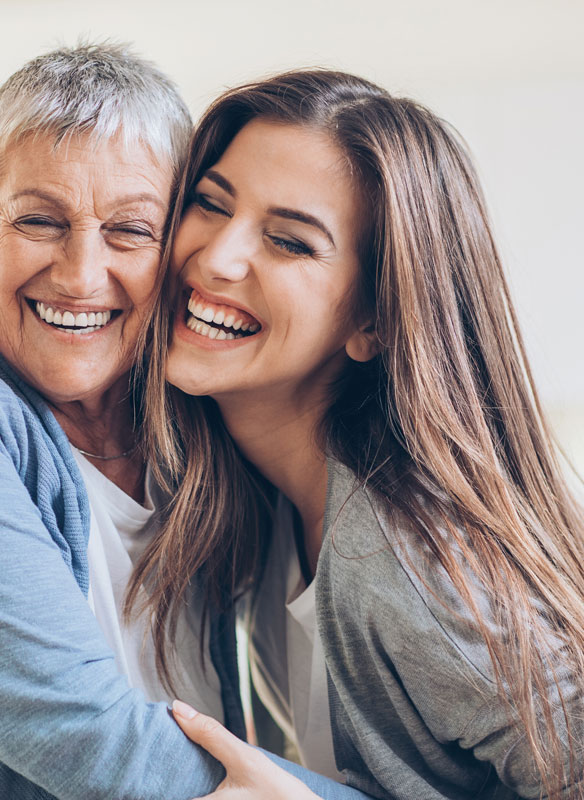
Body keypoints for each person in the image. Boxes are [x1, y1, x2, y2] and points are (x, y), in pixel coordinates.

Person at [0, 44, 364, 800]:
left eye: (131, 231)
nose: (81, 275)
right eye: (38, 220)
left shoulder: (198, 425)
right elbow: (84, 734)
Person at [133, 69, 584, 799]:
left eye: (289, 242)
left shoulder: (411, 561)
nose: (216, 258)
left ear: (372, 320)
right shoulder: (263, 506)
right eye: (210, 204)